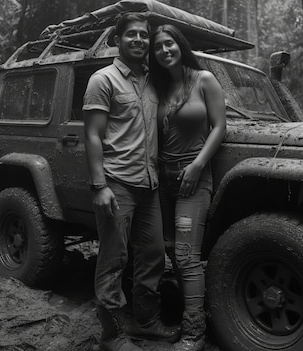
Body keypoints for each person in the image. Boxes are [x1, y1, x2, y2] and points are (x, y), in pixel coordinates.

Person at [82, 13, 179, 351]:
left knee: (152, 256)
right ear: (117, 39)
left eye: (143, 35)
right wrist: (100, 185)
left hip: (148, 185)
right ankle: (111, 334)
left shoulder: (153, 80)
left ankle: (147, 322)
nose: (138, 40)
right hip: (117, 182)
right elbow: (92, 135)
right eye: (131, 35)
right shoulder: (103, 79)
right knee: (114, 259)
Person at [149, 24, 226, 351]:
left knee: (185, 254)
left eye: (169, 44)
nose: (165, 50)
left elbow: (220, 126)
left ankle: (195, 332)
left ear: (180, 45)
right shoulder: (161, 87)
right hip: (162, 178)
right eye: (159, 47)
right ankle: (186, 312)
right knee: (170, 250)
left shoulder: (203, 80)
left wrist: (197, 166)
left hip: (192, 177)